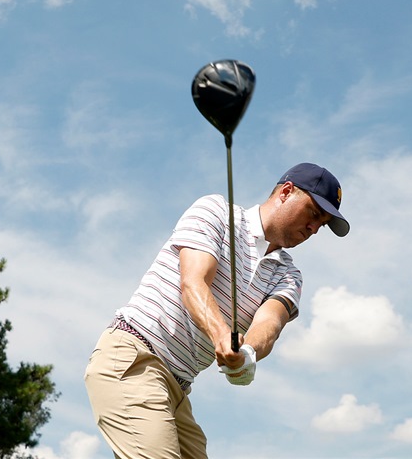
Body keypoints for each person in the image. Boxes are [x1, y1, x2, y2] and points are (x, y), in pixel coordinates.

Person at [84, 162, 350, 459]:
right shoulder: (217, 213)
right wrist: (223, 336)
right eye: (313, 213)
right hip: (134, 358)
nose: (314, 228)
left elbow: (270, 323)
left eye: (322, 224)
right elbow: (194, 283)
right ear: (286, 192)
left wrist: (247, 353)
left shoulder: (289, 275)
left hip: (178, 388)